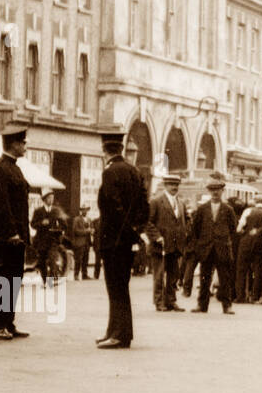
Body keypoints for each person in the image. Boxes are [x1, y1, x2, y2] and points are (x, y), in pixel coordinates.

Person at [96, 128, 150, 347]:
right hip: (127, 240)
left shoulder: (109, 172)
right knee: (122, 286)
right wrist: (135, 231)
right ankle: (116, 331)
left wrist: (123, 230)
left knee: (115, 287)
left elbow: (112, 208)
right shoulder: (134, 171)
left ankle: (118, 334)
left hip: (112, 239)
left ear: (104, 150)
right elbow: (144, 207)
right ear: (121, 148)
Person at [0, 122, 31, 341]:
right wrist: (11, 232)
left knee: (14, 279)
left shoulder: (14, 168)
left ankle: (8, 322)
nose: (25, 145)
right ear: (13, 144)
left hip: (16, 237)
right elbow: (0, 205)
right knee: (1, 280)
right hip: (5, 237)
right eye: (22, 142)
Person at [188, 178, 238, 315]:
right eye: (212, 190)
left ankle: (227, 306)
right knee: (204, 278)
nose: (215, 192)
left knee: (225, 279)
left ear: (222, 191)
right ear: (209, 192)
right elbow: (196, 229)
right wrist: (200, 244)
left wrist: (226, 241)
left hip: (222, 248)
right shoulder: (202, 209)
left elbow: (233, 229)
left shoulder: (228, 209)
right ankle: (202, 305)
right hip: (206, 248)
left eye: (218, 190)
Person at [145, 173, 188, 312]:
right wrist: (156, 236)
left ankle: (171, 301)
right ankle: (159, 302)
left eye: (176, 185)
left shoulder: (180, 203)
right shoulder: (156, 201)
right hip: (160, 245)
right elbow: (147, 222)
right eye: (171, 184)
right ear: (165, 185)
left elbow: (186, 220)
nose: (174, 187)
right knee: (159, 275)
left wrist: (185, 232)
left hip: (176, 245)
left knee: (173, 275)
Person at [235, 195, 262, 303]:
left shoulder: (248, 211)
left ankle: (240, 296)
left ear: (255, 202)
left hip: (246, 242)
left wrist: (243, 233)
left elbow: (239, 228)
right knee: (258, 270)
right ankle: (255, 297)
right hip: (259, 243)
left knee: (241, 270)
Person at [29, 191, 65, 285]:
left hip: (53, 239)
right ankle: (45, 280)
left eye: (52, 198)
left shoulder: (56, 211)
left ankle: (52, 280)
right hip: (41, 240)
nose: (51, 200)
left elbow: (63, 223)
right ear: (44, 200)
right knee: (42, 261)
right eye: (49, 198)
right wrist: (41, 223)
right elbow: (32, 224)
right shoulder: (38, 211)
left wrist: (60, 226)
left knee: (52, 258)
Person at [70, 204, 92, 281]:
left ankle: (84, 275)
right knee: (78, 259)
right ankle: (76, 275)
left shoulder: (89, 219)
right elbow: (75, 230)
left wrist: (92, 231)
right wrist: (86, 231)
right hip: (79, 243)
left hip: (87, 243)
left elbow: (91, 229)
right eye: (83, 209)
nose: (85, 211)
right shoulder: (77, 219)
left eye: (86, 209)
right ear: (81, 211)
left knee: (86, 259)